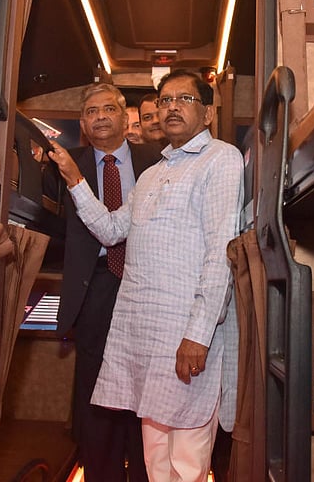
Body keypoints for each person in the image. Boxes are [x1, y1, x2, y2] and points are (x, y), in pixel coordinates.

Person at [48, 70, 243, 482]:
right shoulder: (153, 173)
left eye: (184, 100)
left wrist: (199, 334)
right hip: (144, 340)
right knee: (155, 462)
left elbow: (220, 252)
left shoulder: (221, 159)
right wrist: (75, 179)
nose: (172, 106)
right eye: (166, 99)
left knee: (186, 463)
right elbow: (110, 230)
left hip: (186, 336)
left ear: (208, 113)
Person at [43, 82, 161, 482]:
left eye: (108, 108)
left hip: (146, 281)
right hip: (94, 283)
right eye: (91, 112)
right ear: (82, 122)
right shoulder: (61, 165)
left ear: (124, 115)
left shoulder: (158, 160)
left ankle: (144, 472)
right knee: (95, 387)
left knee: (145, 384)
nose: (100, 117)